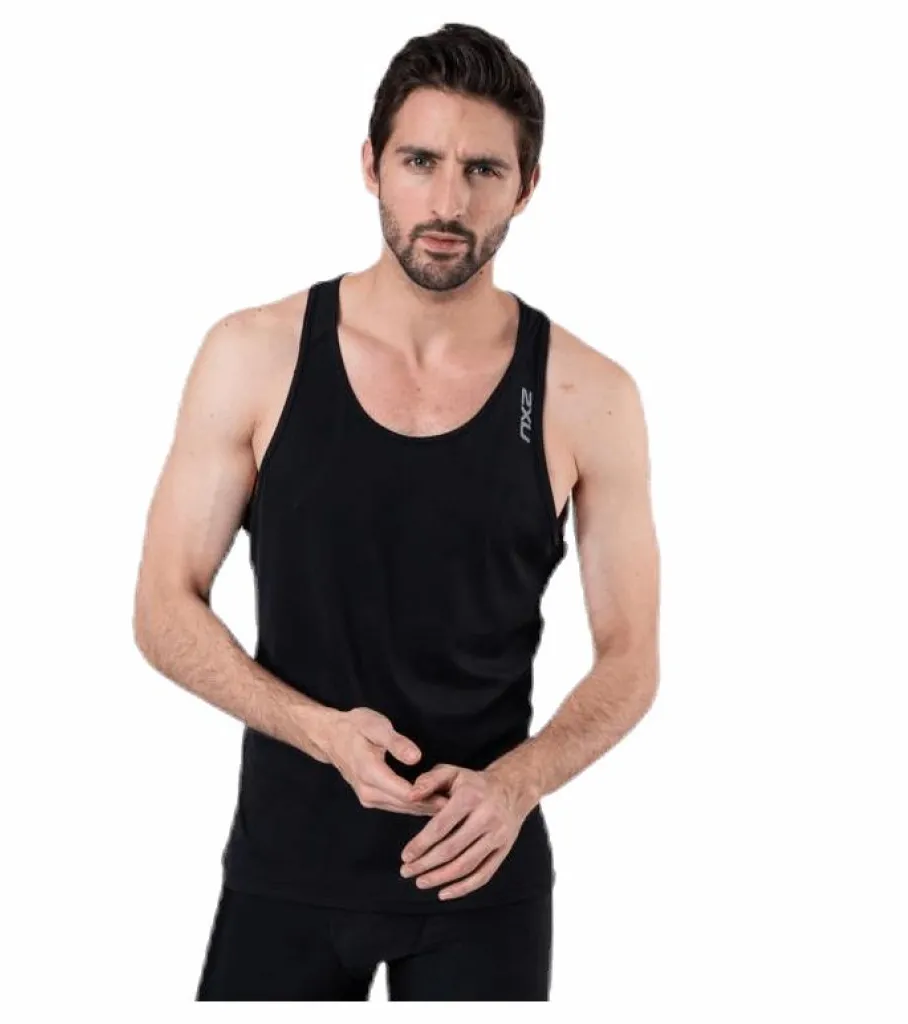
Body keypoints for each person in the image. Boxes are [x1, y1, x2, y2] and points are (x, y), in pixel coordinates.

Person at [132, 21, 660, 1001]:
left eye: (483, 170)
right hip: (286, 868)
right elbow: (163, 607)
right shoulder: (253, 355)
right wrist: (319, 731)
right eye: (421, 162)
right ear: (371, 164)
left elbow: (631, 657)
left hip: (483, 874)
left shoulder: (590, 395)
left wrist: (520, 782)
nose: (449, 203)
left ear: (526, 187)